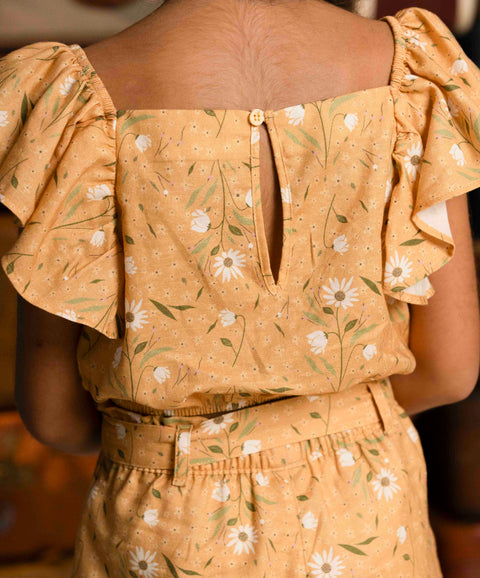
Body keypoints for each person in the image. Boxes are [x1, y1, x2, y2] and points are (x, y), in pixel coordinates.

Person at [1, 0, 479, 575]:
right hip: (368, 510)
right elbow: (450, 368)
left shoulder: (76, 100)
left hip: (167, 526)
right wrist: (326, 420)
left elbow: (55, 415)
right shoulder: (410, 71)